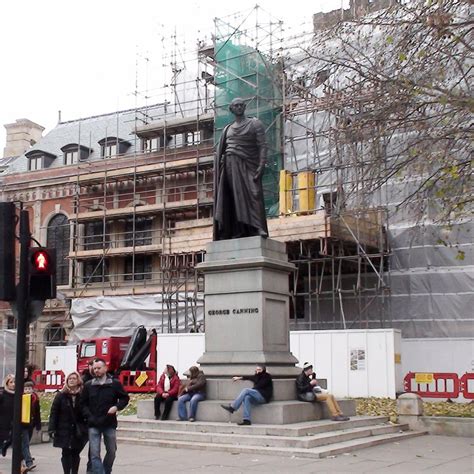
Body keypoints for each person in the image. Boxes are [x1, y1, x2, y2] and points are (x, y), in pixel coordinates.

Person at [213, 97, 269, 240]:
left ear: (244, 107)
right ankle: (239, 230)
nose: (239, 107)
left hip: (249, 163)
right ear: (231, 109)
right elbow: (221, 150)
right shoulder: (227, 129)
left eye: (241, 105)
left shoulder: (255, 124)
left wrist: (262, 164)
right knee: (235, 198)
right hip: (230, 165)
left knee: (253, 194)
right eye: (236, 105)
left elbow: (262, 145)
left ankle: (258, 227)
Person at [81, 358, 129, 474]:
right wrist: (89, 416)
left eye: (99, 368)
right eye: (94, 368)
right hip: (93, 423)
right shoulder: (88, 385)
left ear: (105, 368)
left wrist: (116, 407)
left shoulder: (114, 383)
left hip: (109, 423)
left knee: (111, 451)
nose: (96, 370)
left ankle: (107, 470)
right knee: (94, 453)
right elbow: (82, 404)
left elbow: (124, 398)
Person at [48, 372, 88, 474]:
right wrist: (52, 428)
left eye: (74, 378)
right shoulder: (61, 395)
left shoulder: (82, 395)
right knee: (65, 452)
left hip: (78, 429)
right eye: (69, 378)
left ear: (78, 380)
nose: (71, 380)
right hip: (63, 428)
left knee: (75, 452)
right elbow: (54, 413)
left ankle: (74, 471)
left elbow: (86, 411)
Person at [21, 381, 42, 472]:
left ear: (33, 389)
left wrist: (38, 426)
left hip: (30, 424)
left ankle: (22, 460)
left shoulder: (35, 399)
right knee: (25, 444)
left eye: (29, 389)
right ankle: (29, 462)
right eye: (26, 389)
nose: (27, 390)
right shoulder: (21, 398)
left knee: (25, 444)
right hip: (22, 425)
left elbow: (37, 414)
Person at [0, 374, 15, 458]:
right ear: (7, 383)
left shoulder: (18, 395)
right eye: (11, 382)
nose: (13, 384)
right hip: (3, 421)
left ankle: (5, 446)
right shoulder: (3, 395)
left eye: (14, 382)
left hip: (14, 421)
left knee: (13, 438)